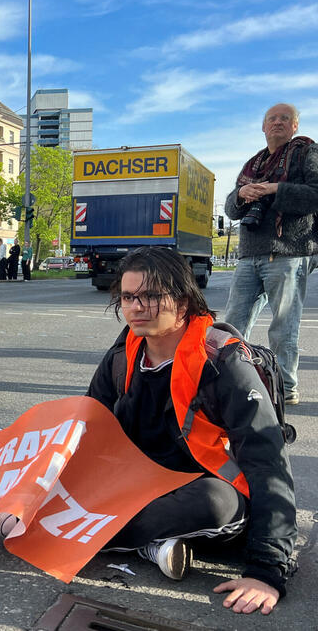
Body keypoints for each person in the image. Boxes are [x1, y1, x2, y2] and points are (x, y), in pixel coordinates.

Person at [82, 246, 295, 615]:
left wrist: (268, 570)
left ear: (182, 303)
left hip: (200, 489)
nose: (135, 307)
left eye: (150, 296)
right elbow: (87, 426)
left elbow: (267, 461)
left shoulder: (224, 362)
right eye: (129, 297)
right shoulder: (123, 352)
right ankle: (149, 545)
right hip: (138, 481)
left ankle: (71, 532)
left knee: (218, 503)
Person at [223, 103, 318, 405]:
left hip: (288, 251)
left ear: (295, 127)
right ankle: (232, 378)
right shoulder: (254, 164)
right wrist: (241, 194)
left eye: (285, 119)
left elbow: (315, 194)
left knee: (283, 326)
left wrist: (274, 189)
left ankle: (285, 387)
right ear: (263, 127)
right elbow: (230, 208)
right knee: (234, 322)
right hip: (250, 253)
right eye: (272, 119)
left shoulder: (306, 154)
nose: (277, 122)